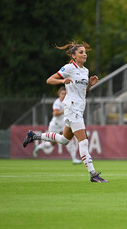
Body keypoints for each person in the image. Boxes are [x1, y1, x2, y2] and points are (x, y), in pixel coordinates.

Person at [23, 41, 108, 183]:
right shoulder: (69, 68)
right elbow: (50, 80)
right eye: (81, 52)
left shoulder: (85, 71)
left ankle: (34, 136)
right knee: (84, 141)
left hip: (79, 108)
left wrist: (89, 86)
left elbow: (81, 91)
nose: (84, 54)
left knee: (64, 140)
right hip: (71, 107)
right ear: (74, 56)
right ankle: (93, 174)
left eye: (85, 52)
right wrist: (62, 82)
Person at [33, 87, 82, 165]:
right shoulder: (57, 102)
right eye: (62, 93)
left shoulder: (68, 102)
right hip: (55, 125)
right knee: (51, 144)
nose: (64, 95)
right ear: (59, 94)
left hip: (63, 125)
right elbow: (55, 113)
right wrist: (65, 111)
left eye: (65, 94)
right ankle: (38, 147)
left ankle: (74, 159)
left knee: (71, 139)